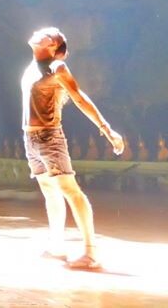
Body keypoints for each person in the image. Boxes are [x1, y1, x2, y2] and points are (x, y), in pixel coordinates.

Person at [21, 27, 123, 271]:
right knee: (50, 191)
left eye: (48, 34)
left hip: (49, 138)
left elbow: (79, 98)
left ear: (54, 46)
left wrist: (107, 129)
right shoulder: (32, 67)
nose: (39, 32)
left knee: (70, 190)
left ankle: (91, 252)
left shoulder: (57, 67)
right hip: (31, 138)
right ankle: (57, 246)